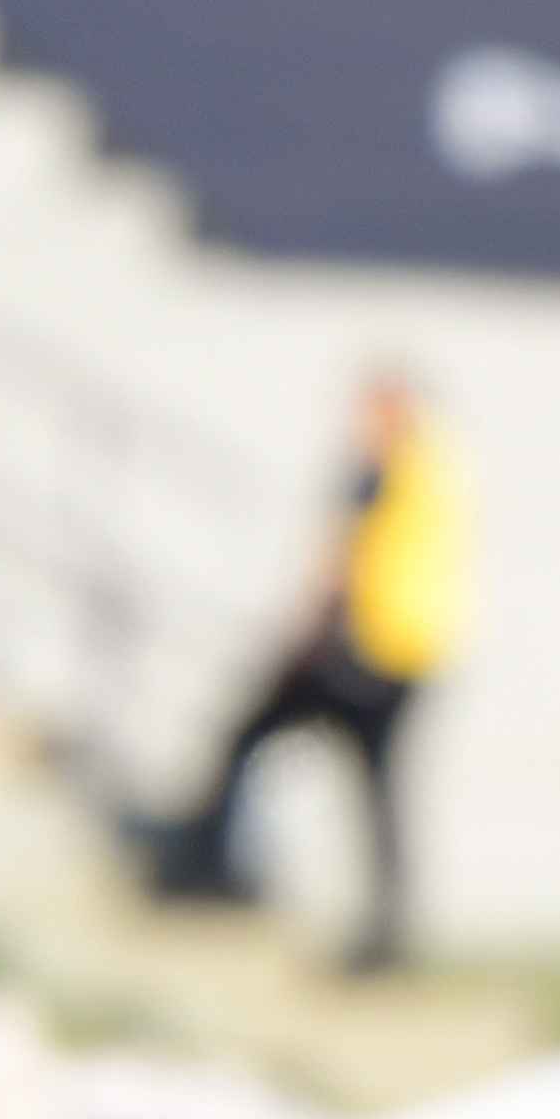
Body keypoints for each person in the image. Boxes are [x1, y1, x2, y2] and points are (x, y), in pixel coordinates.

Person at [143, 371, 470, 973]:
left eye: (369, 413)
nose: (357, 426)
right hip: (407, 659)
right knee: (376, 794)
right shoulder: (436, 471)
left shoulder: (383, 474)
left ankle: (204, 872)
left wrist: (300, 640)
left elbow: (340, 568)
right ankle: (384, 935)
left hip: (359, 655)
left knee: (248, 736)